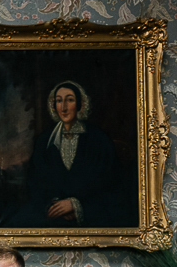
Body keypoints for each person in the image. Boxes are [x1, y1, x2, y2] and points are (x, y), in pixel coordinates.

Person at [11, 80, 126, 229]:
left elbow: (111, 184)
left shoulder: (99, 139)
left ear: (79, 104)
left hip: (92, 216)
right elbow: (35, 183)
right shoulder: (44, 141)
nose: (64, 107)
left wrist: (76, 205)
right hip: (51, 216)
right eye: (59, 101)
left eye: (70, 100)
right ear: (54, 106)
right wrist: (53, 205)